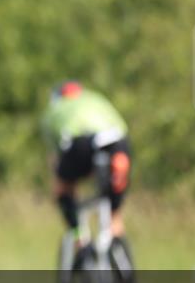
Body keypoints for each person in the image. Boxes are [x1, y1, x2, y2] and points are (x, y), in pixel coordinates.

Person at [41, 81, 131, 244]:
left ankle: (78, 237)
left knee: (63, 189)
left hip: (80, 143)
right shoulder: (96, 98)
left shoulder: (54, 109)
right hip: (117, 142)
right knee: (114, 206)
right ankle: (116, 233)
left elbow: (55, 156)